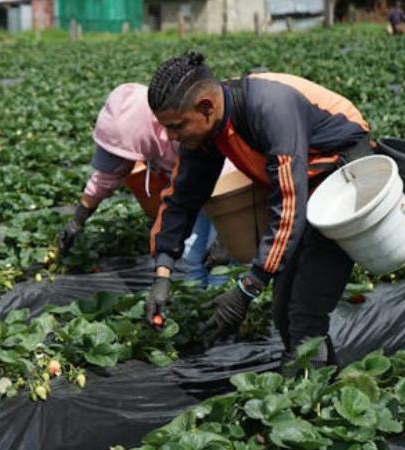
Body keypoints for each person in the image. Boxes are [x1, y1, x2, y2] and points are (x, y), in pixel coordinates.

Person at [144, 52, 374, 368]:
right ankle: (317, 388)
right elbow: (180, 200)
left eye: (176, 126)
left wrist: (247, 288)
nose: (171, 136)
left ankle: (309, 401)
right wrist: (163, 272)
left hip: (343, 182)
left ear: (206, 108)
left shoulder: (268, 108)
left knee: (305, 311)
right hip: (305, 192)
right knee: (282, 310)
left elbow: (289, 203)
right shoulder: (207, 133)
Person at [57, 83, 227, 288]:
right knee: (191, 255)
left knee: (223, 261)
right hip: (193, 193)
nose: (121, 161)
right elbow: (106, 177)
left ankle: (224, 296)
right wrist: (78, 219)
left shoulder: (188, 131)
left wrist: (227, 237)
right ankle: (199, 301)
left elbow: (231, 177)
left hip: (230, 196)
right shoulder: (149, 137)